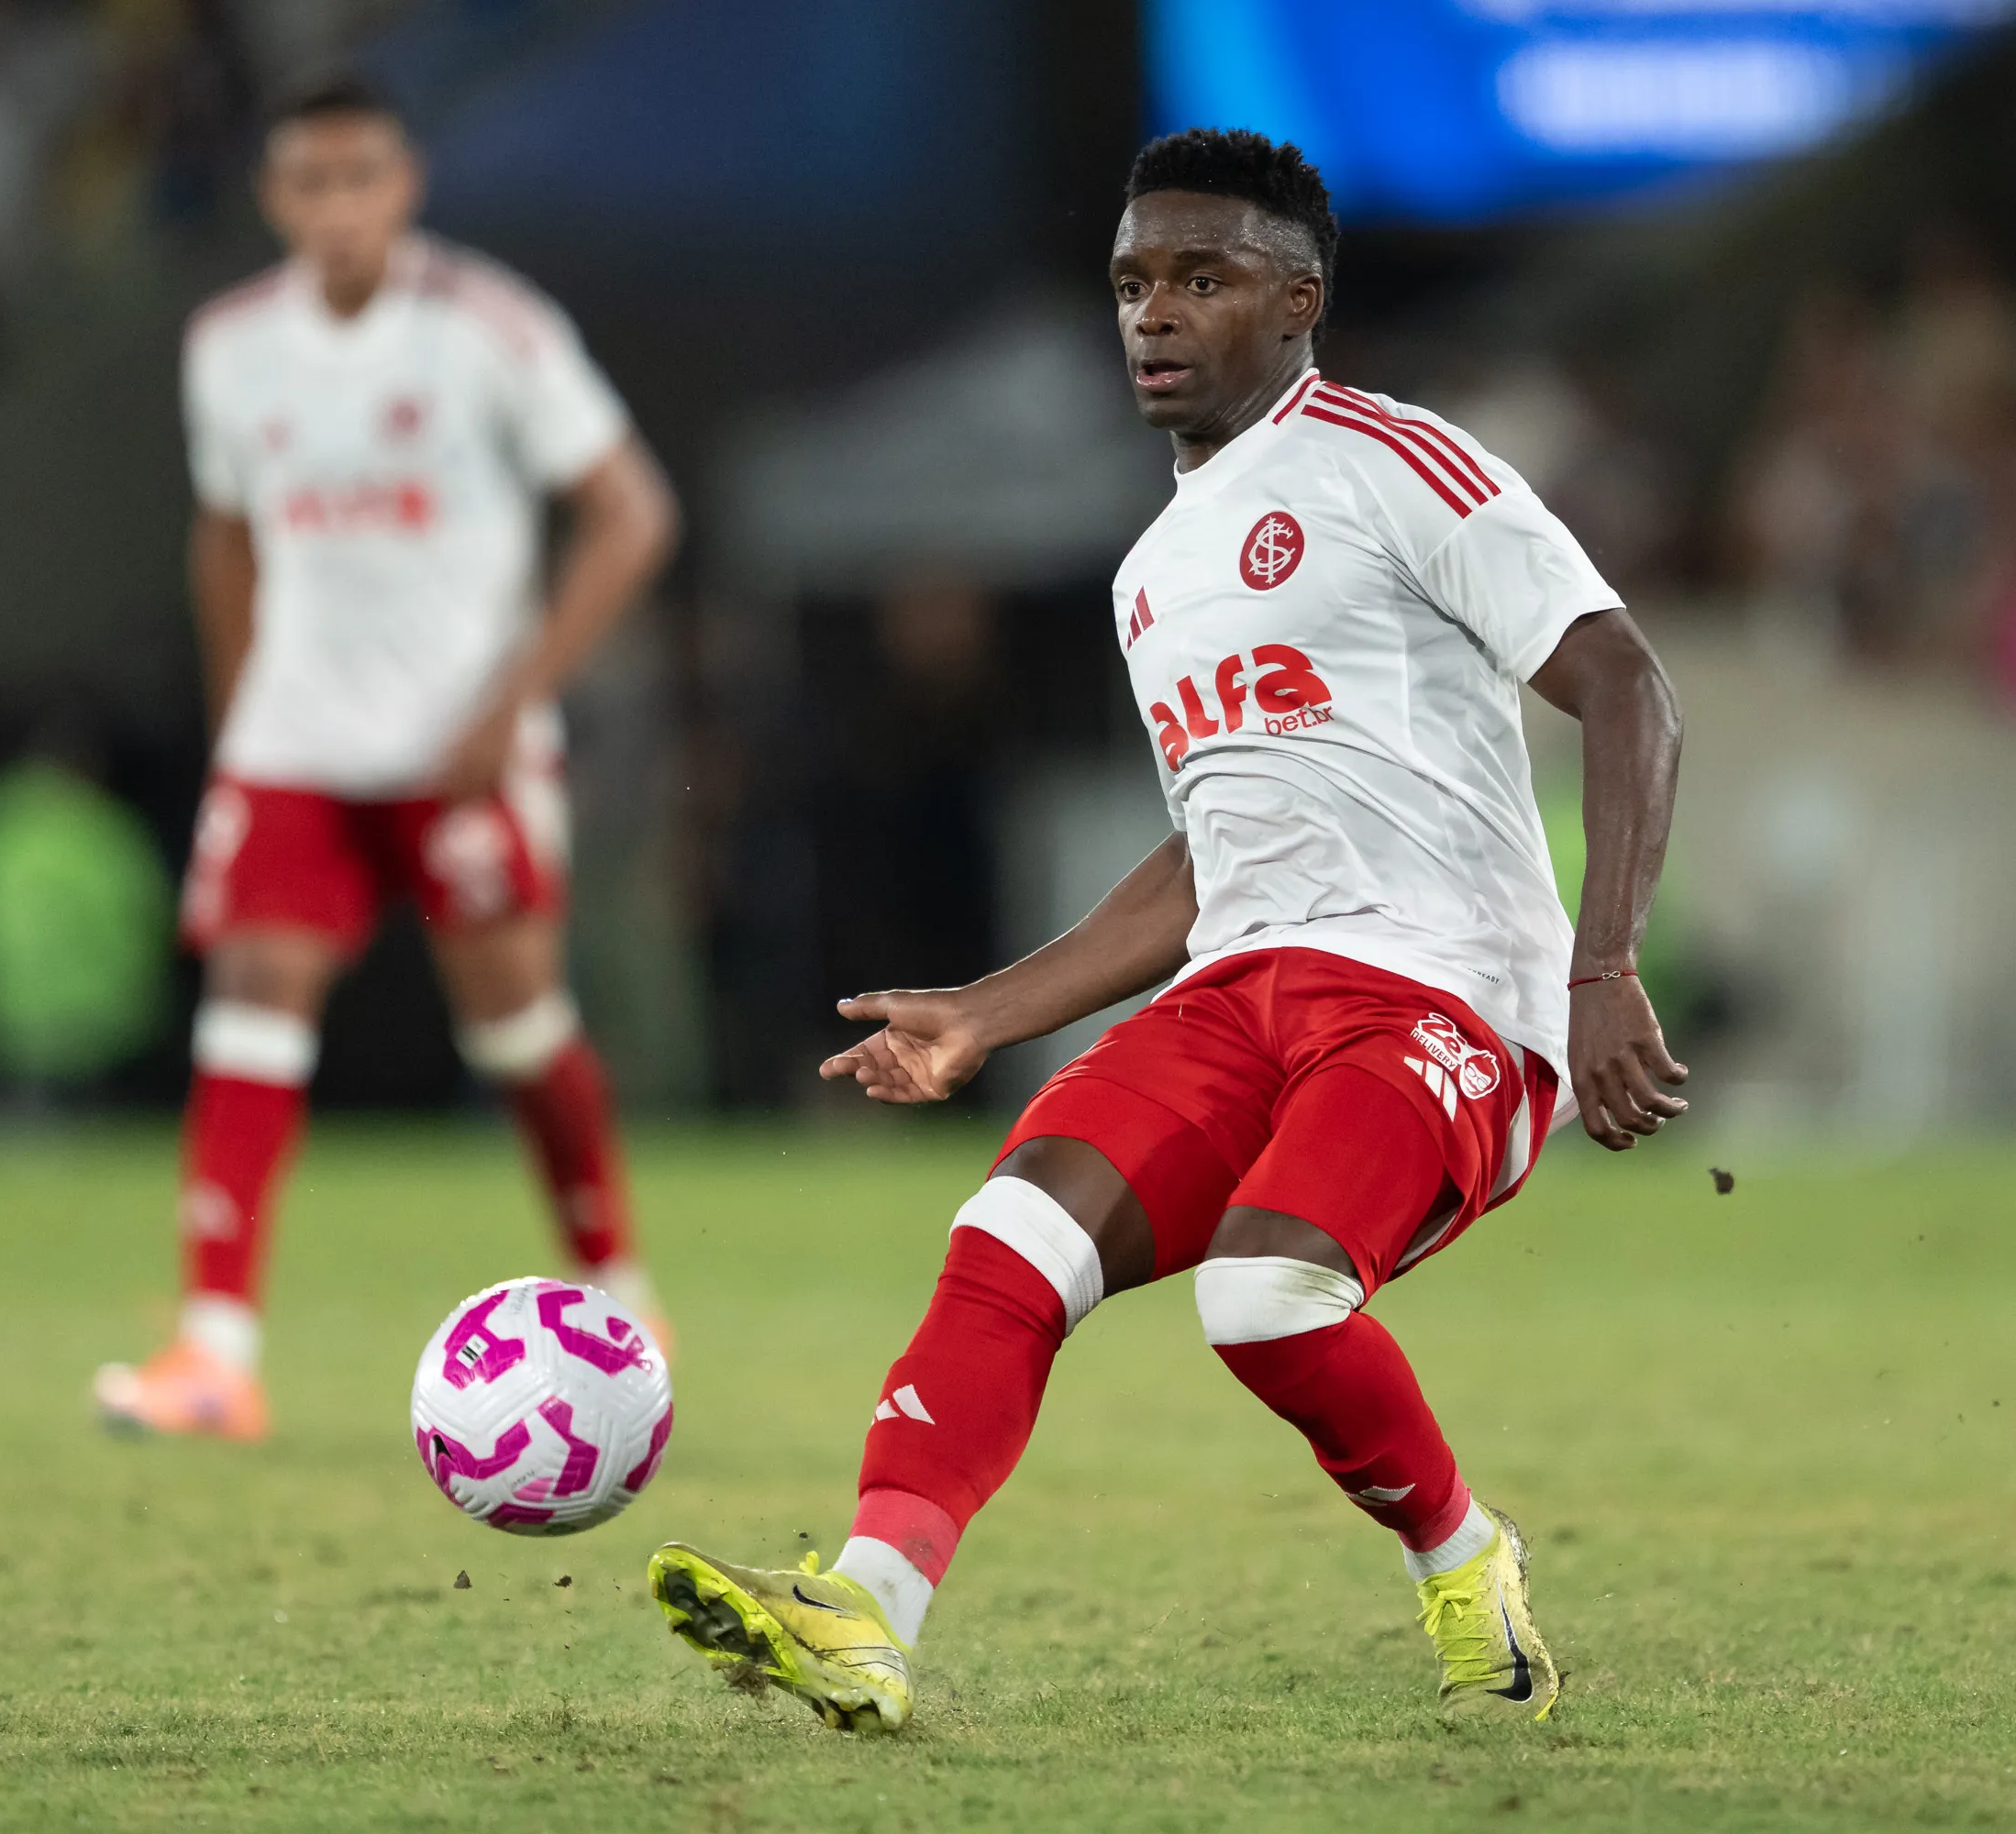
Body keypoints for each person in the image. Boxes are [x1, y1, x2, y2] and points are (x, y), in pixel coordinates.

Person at [647, 129, 1687, 1731]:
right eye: (1134, 281)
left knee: (1263, 1300)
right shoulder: (1153, 574)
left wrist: (1602, 963)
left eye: (1201, 279)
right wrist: (989, 1013)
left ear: (1298, 300)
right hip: (1242, 992)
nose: (1154, 313)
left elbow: (1624, 679)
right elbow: (1209, 857)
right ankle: (867, 1609)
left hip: (1441, 997)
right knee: (1006, 1243)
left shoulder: (1395, 460)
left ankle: (1464, 1551)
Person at [94, 77, 680, 1442]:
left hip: (460, 749)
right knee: (250, 999)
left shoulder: (489, 327)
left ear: (404, 183)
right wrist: (242, 725)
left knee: (519, 1028)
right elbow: (224, 536)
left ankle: (620, 1292)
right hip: (299, 745)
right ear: (274, 195)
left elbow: (631, 513)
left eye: (363, 178)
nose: (340, 206)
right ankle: (214, 1355)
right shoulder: (230, 346)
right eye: (312, 181)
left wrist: (515, 701)